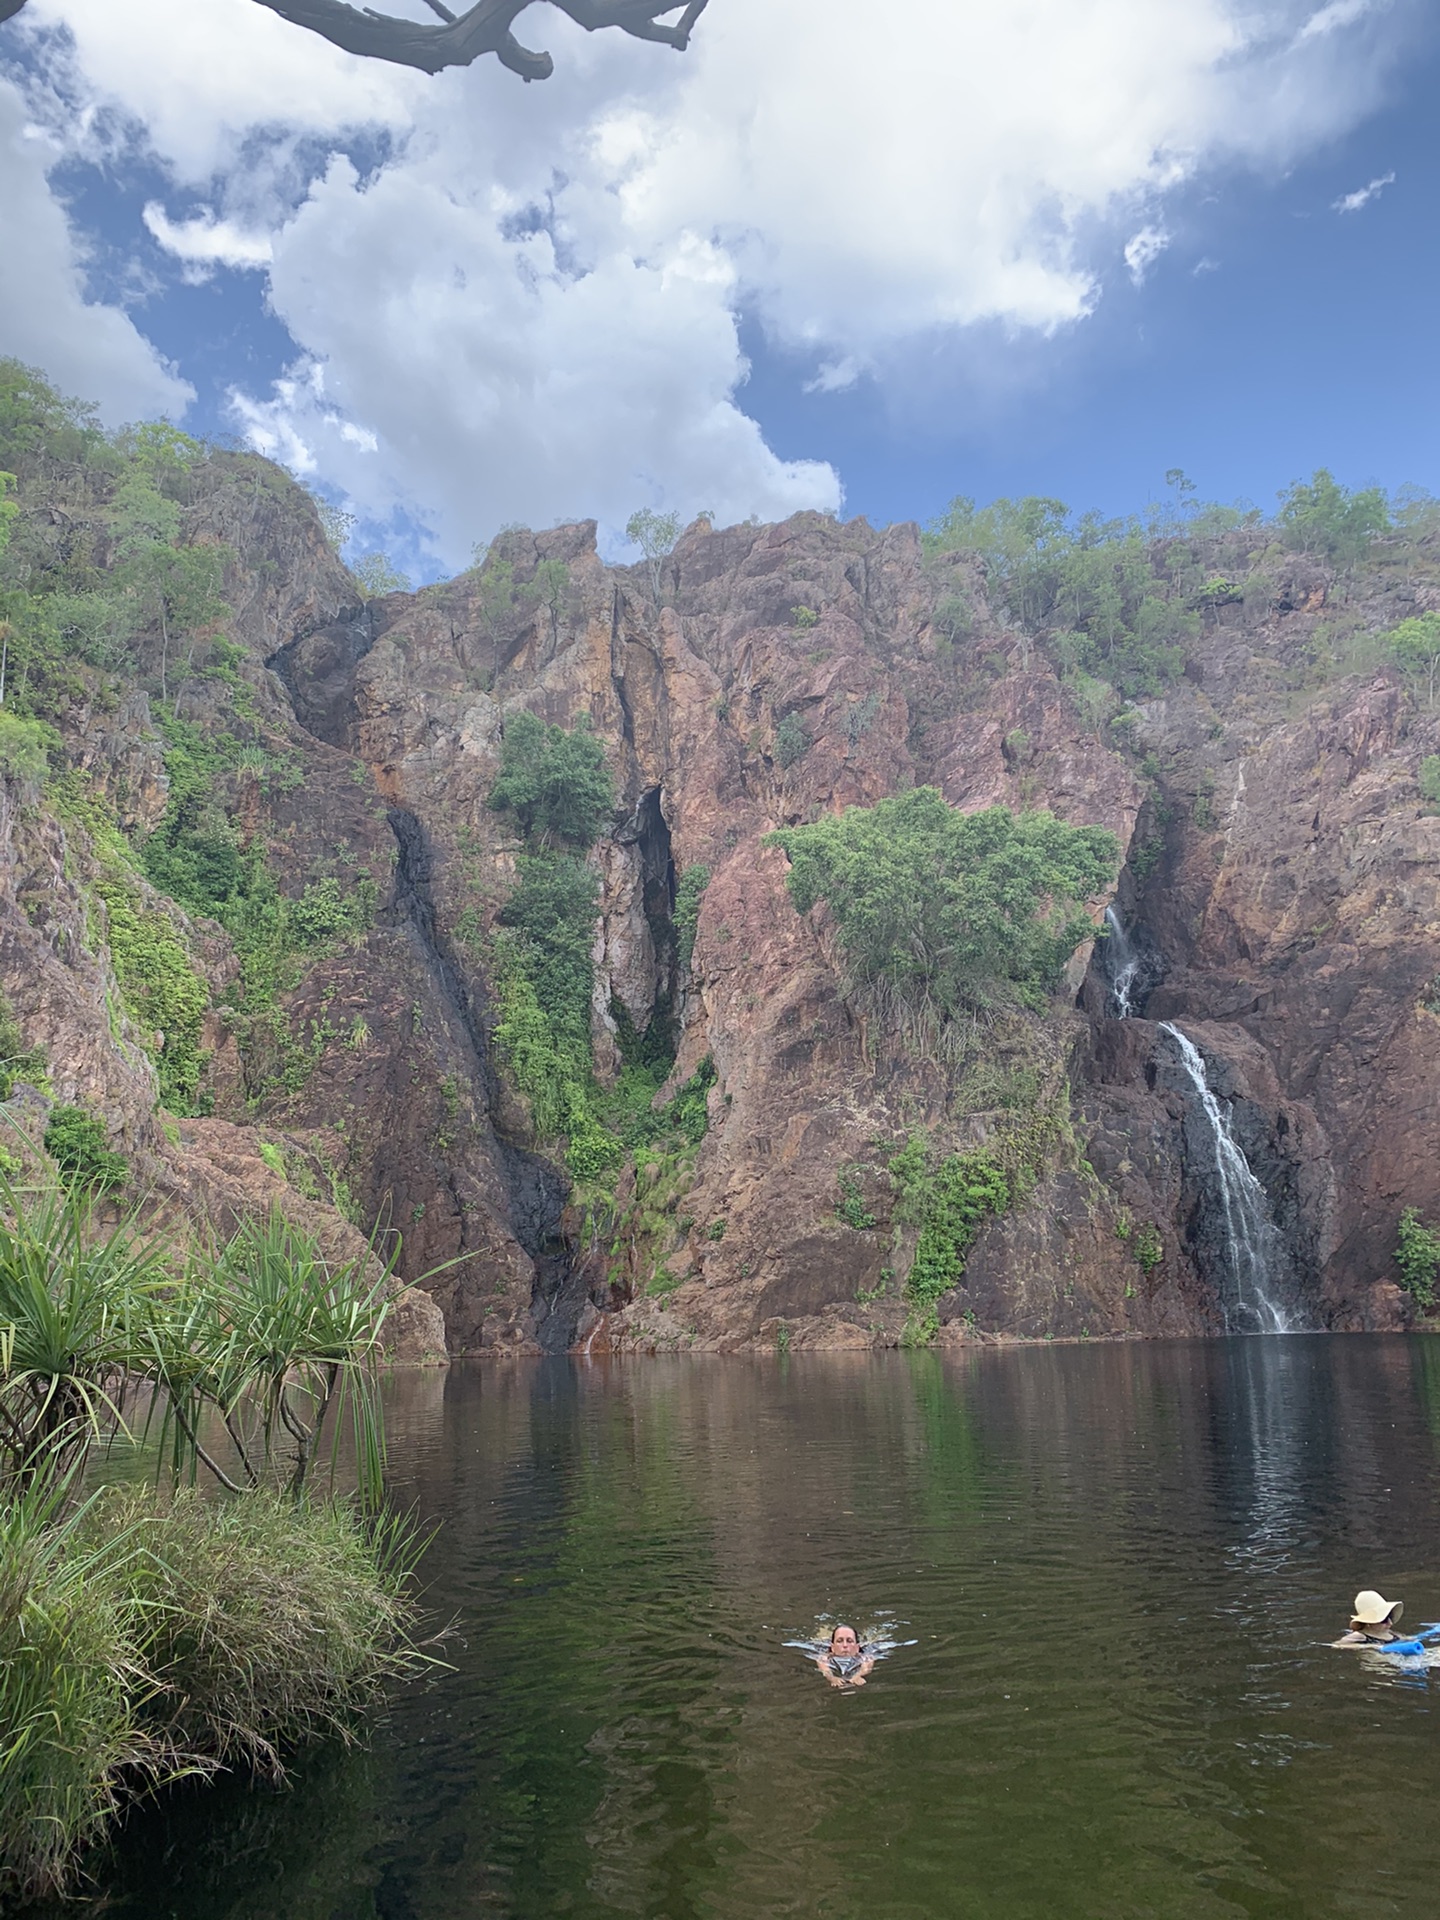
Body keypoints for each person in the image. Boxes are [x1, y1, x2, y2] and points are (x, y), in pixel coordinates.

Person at [1333, 1589, 1404, 1647]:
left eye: (1390, 1616)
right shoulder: (1360, 1635)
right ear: (1368, 1622)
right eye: (1384, 1620)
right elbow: (1337, 1645)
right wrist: (1369, 1646)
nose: (1390, 1623)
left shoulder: (1389, 1633)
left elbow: (1405, 1639)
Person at [813, 1624, 875, 1688]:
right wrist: (831, 1678)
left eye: (849, 1641)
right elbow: (822, 1664)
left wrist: (858, 1675)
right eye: (839, 1641)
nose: (845, 1645)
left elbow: (868, 1663)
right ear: (833, 1647)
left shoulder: (863, 1655)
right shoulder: (826, 1655)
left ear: (857, 1648)